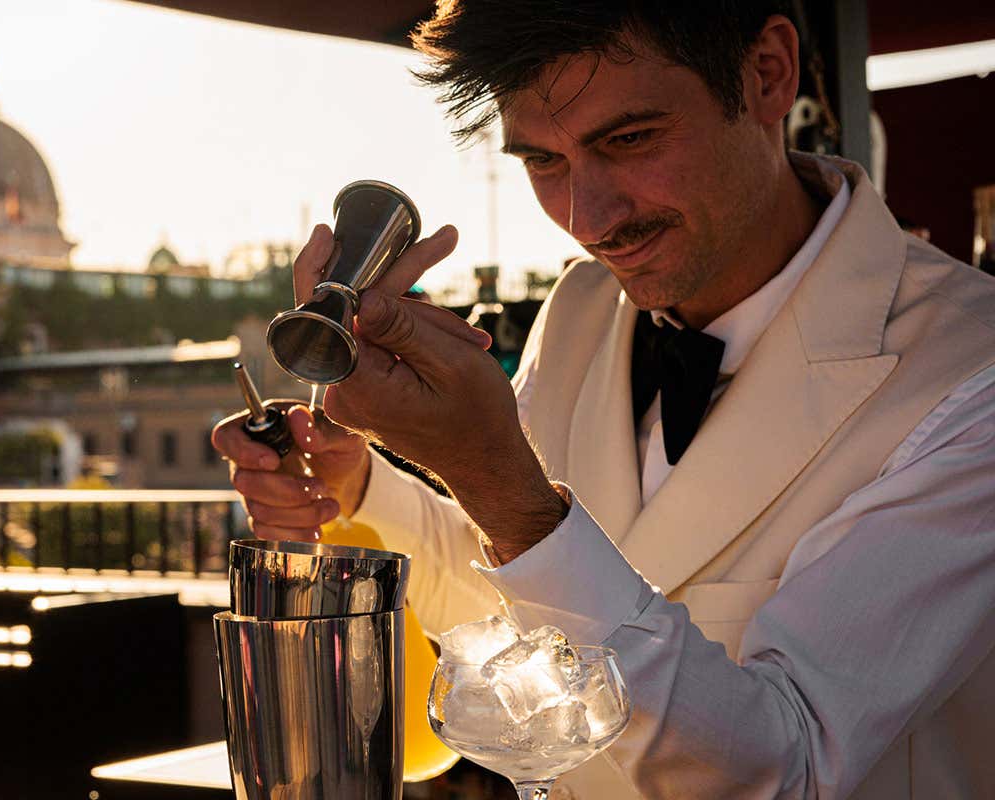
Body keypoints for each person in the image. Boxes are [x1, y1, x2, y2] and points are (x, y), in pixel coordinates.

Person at [212, 2, 995, 797]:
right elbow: (524, 618)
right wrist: (361, 486)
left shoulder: (973, 371)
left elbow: (786, 769)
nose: (587, 220)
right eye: (542, 161)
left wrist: (494, 480)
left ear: (768, 74)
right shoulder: (584, 307)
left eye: (629, 139)